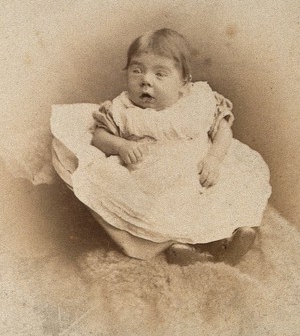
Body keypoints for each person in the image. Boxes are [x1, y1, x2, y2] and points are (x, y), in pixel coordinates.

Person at [82, 28, 271, 266]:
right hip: (157, 180)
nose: (145, 81)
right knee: (163, 212)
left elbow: (223, 129)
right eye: (136, 70)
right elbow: (99, 135)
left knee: (225, 195)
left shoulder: (197, 102)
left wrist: (214, 158)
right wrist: (120, 145)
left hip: (202, 170)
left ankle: (230, 238)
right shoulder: (123, 109)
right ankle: (182, 247)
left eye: (160, 74)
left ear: (184, 83)